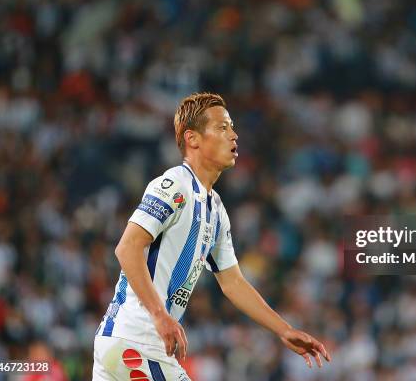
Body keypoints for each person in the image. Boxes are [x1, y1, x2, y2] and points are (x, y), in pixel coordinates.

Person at [92, 93, 331, 380]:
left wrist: (284, 329)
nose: (234, 135)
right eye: (222, 128)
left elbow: (233, 282)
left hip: (127, 343)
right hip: (137, 341)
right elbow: (127, 248)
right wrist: (159, 314)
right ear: (192, 139)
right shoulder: (173, 185)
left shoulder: (216, 209)